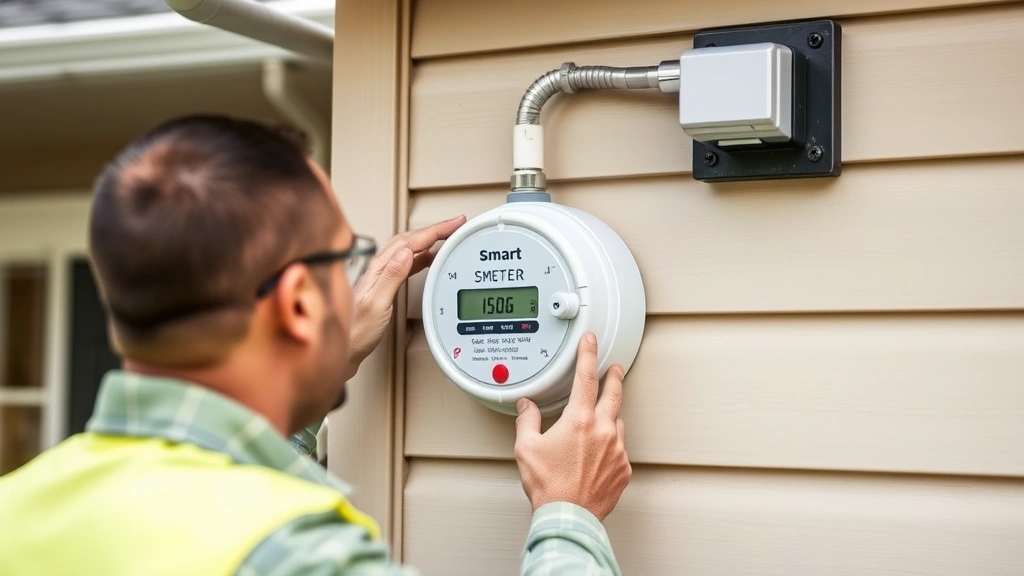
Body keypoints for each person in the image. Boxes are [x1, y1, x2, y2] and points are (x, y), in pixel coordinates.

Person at [0, 115, 632, 575]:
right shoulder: (296, 553)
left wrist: (324, 355)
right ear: (300, 302)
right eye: (344, 256)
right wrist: (568, 516)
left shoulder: (18, 505)